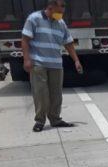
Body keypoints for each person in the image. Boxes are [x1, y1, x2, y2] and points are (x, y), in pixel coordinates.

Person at [21, 0, 83, 132]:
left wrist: (76, 60)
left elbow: (68, 43)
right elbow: (25, 40)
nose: (62, 13)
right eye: (60, 10)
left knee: (56, 94)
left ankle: (55, 119)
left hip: (56, 64)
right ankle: (40, 121)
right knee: (41, 93)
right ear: (51, 7)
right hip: (38, 63)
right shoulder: (34, 19)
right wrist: (27, 59)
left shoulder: (61, 23)